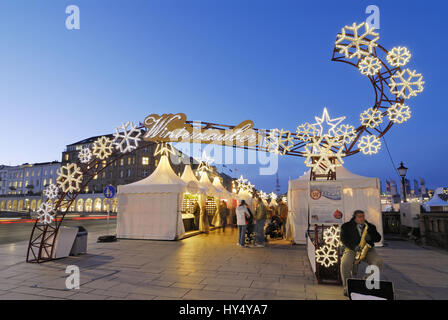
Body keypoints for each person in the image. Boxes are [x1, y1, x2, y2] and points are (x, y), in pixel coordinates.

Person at [340, 210, 384, 297]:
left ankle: (364, 282)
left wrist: (371, 237)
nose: (362, 218)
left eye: (363, 216)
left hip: (367, 250)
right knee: (345, 263)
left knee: (379, 262)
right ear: (354, 217)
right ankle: (347, 287)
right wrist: (353, 246)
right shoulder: (346, 226)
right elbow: (343, 239)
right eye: (359, 216)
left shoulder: (370, 226)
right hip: (352, 249)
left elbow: (378, 238)